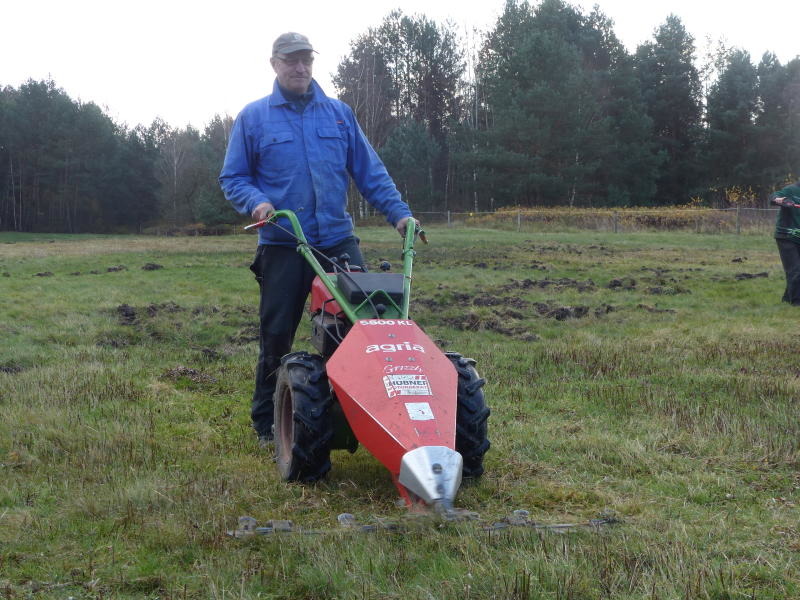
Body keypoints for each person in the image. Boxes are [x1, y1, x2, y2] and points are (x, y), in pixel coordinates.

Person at [219, 32, 416, 447]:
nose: (300, 68)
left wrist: (399, 213)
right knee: (277, 331)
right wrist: (257, 203)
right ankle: (268, 422)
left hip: (336, 240)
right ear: (274, 64)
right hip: (283, 241)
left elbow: (369, 171)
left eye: (306, 59)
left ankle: (365, 411)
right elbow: (233, 177)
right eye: (291, 61)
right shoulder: (253, 118)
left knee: (366, 325)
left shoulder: (339, 115)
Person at [772, 180, 800, 305]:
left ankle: (787, 299)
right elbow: (774, 196)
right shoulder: (791, 190)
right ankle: (796, 303)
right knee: (795, 270)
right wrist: (779, 200)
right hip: (786, 236)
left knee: (796, 271)